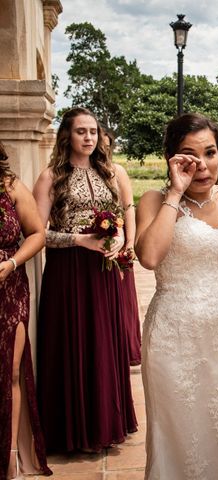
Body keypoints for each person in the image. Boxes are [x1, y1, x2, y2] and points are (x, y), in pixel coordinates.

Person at [135, 112, 218, 480]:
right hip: (172, 334)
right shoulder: (156, 201)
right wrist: (175, 191)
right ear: (172, 158)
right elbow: (150, 256)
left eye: (210, 153)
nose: (202, 165)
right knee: (175, 429)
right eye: (189, 155)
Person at [33, 107, 137, 453]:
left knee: (104, 345)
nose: (89, 137)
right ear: (67, 136)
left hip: (103, 273)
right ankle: (70, 432)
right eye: (81, 131)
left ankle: (106, 424)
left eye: (93, 131)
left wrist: (121, 239)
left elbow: (123, 213)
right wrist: (80, 240)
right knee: (72, 342)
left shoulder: (109, 173)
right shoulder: (51, 177)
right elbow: (37, 234)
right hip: (68, 273)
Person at [0, 141, 50, 479]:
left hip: (8, 288)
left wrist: (12, 262)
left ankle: (11, 456)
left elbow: (37, 234)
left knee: (9, 374)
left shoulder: (11, 186)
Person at [102, 128, 141, 366]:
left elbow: (128, 207)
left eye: (107, 146)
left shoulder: (118, 171)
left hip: (119, 241)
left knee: (122, 301)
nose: (103, 150)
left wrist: (130, 243)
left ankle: (125, 350)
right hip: (97, 242)